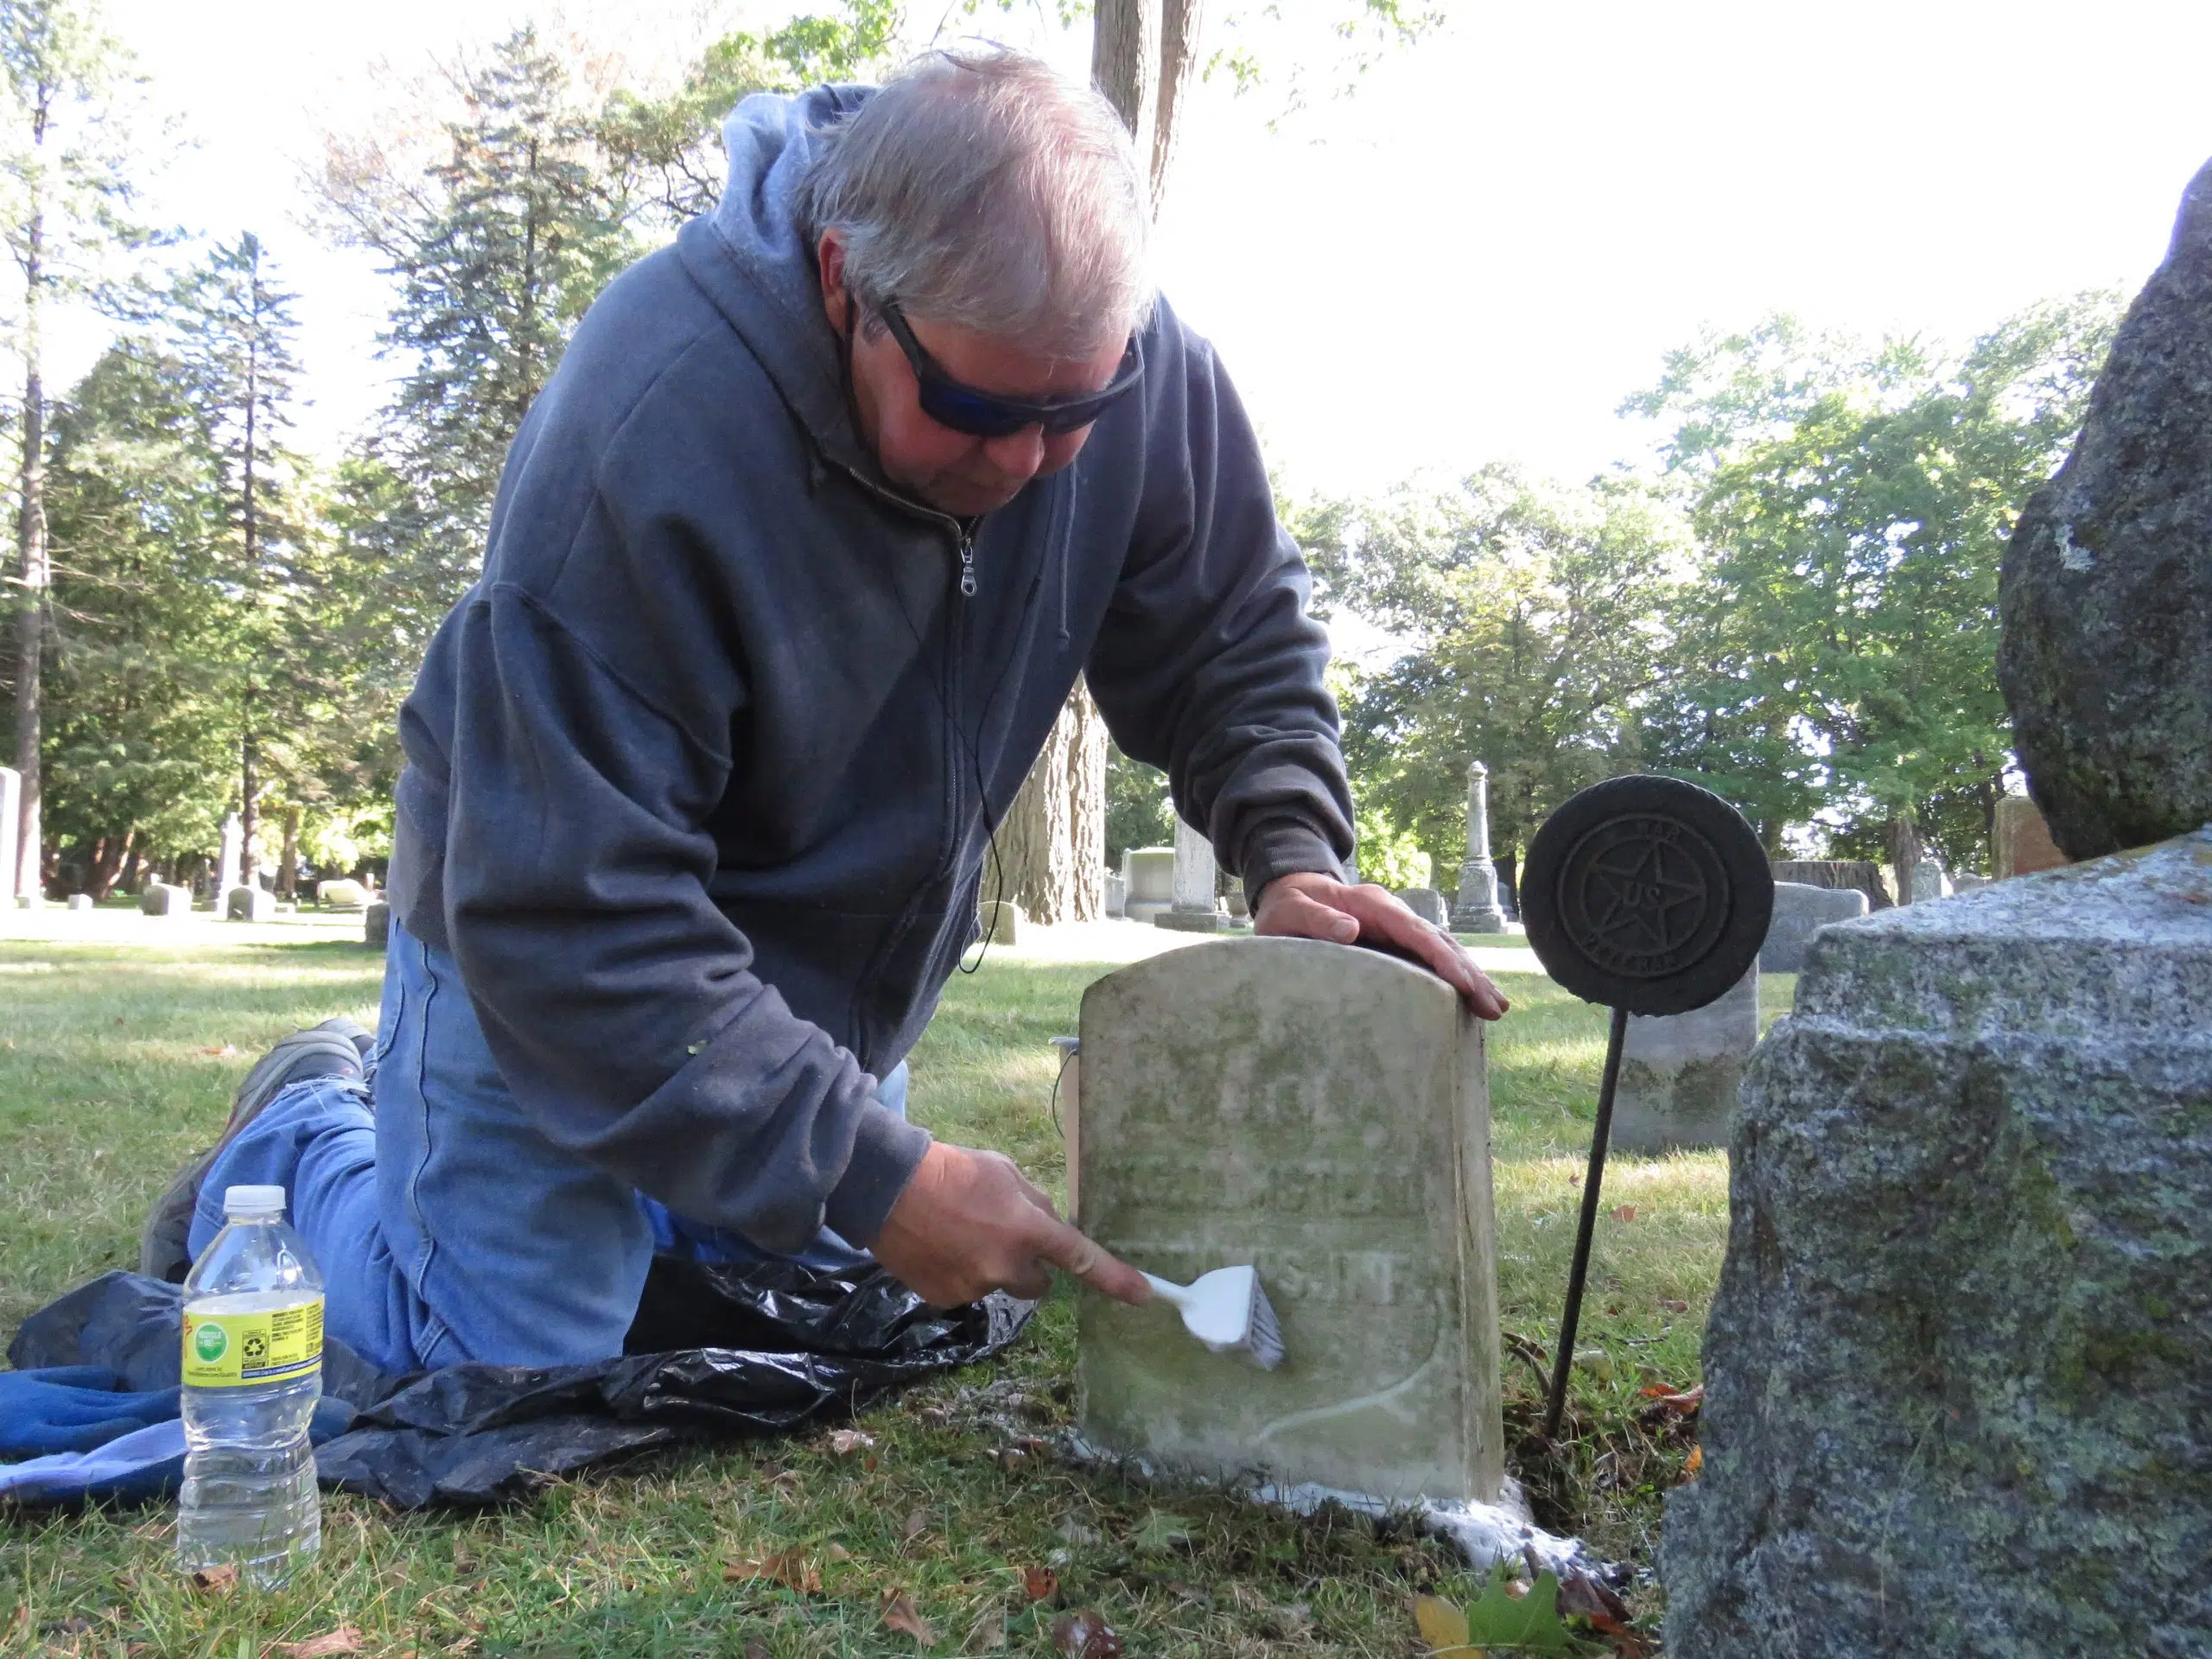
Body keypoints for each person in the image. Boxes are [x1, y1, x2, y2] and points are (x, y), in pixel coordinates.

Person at [141, 46, 1507, 1376]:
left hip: (820, 986)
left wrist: (1290, 850)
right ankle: (306, 1134)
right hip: (555, 939)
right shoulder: (652, 419)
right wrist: (865, 1167)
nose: (1026, 463)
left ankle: (666, 1171)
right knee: (510, 1357)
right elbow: (572, 903)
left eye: (1073, 411)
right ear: (849, 284)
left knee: (781, 1302)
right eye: (974, 406)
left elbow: (1229, 628)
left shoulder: (1138, 370)